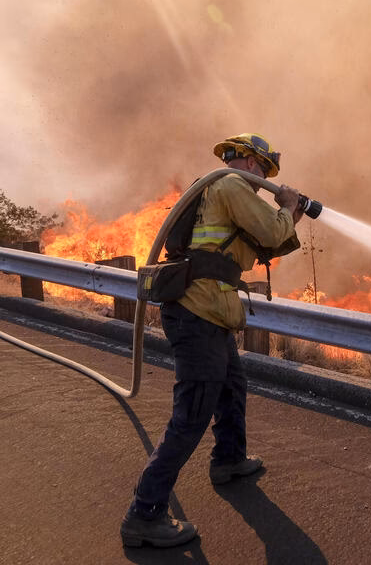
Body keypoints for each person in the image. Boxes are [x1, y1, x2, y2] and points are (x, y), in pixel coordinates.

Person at [121, 133, 304, 548]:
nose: (262, 182)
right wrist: (289, 206)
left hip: (207, 309)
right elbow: (272, 232)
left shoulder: (215, 190)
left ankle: (228, 460)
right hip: (198, 310)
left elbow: (263, 243)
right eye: (262, 171)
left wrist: (291, 217)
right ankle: (144, 514)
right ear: (250, 163)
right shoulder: (231, 184)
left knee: (231, 385)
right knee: (191, 415)